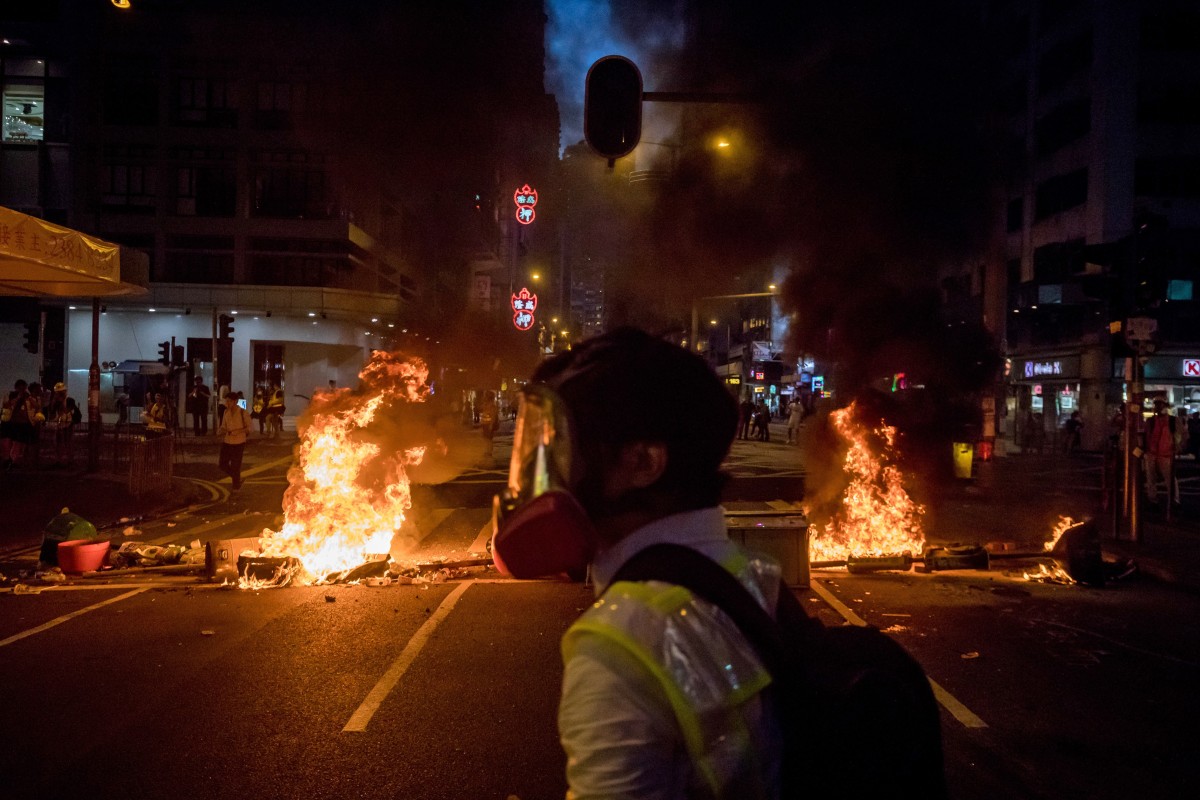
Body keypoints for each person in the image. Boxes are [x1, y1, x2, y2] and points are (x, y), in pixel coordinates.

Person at [491, 327, 782, 799]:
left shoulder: (620, 644)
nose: (546, 476)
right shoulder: (752, 574)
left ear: (643, 463)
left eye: (562, 448)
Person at [1143, 399, 1178, 505]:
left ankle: (1174, 499)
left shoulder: (1172, 420)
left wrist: (1175, 447)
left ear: (1165, 406)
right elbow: (1147, 435)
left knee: (1170, 478)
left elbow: (1179, 436)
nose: (1157, 407)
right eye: (1156, 404)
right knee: (1151, 478)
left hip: (1165, 453)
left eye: (1160, 404)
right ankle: (1152, 498)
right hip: (1152, 453)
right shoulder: (1151, 420)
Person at [217, 390, 251, 490]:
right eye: (226, 401)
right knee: (222, 464)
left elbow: (250, 428)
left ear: (235, 401)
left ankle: (236, 486)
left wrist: (238, 431)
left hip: (239, 442)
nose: (227, 403)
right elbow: (224, 426)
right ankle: (237, 478)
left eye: (229, 401)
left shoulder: (243, 412)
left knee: (236, 465)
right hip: (227, 441)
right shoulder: (226, 412)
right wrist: (221, 430)